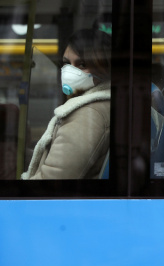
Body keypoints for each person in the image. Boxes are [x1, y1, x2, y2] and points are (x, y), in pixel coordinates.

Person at [22, 29, 111, 179]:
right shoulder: (101, 105)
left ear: (104, 69)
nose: (69, 71)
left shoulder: (88, 114)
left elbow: (52, 180)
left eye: (82, 64)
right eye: (66, 63)